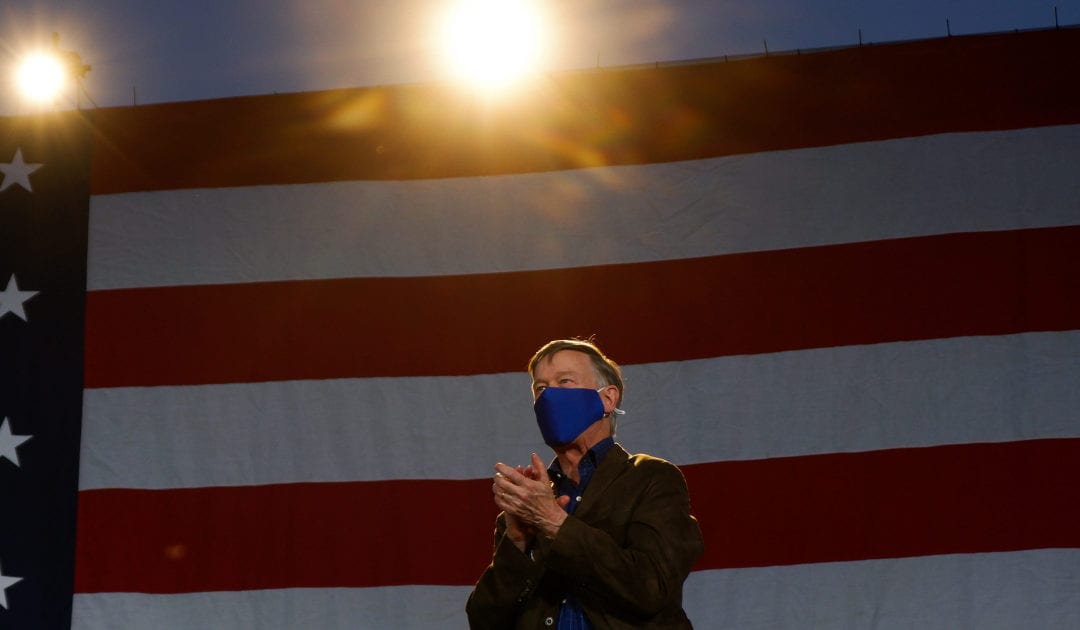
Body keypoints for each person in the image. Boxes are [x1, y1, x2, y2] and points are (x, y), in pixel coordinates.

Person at [466, 338, 704, 629]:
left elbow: (650, 589)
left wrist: (556, 524)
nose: (549, 396)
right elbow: (483, 620)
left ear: (608, 398)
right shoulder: (531, 502)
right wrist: (516, 544)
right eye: (540, 388)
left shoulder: (651, 479)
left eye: (564, 381)